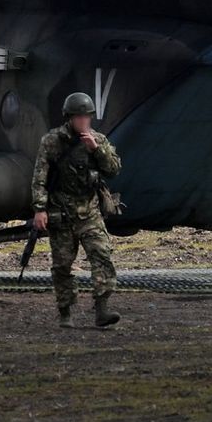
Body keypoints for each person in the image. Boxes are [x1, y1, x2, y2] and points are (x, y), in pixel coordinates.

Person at [31, 92, 123, 328]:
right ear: (69, 118)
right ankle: (65, 312)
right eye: (79, 117)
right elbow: (39, 179)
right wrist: (40, 209)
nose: (84, 121)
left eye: (87, 116)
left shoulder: (98, 140)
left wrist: (96, 150)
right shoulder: (52, 142)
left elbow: (113, 169)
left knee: (101, 255)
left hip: (89, 210)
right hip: (61, 212)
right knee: (62, 265)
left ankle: (102, 309)